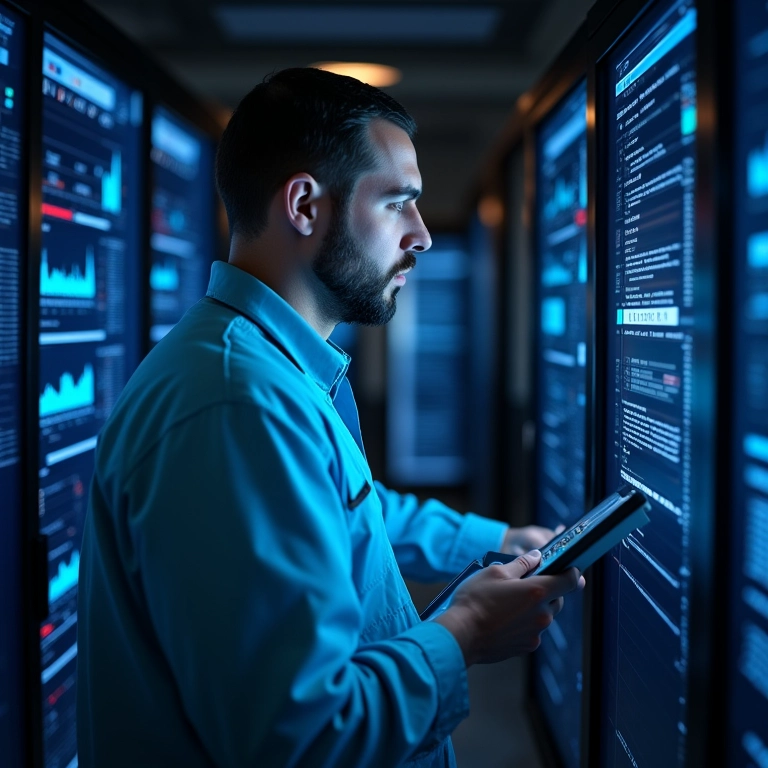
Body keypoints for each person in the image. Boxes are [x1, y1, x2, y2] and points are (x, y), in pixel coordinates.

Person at [77, 67, 583, 768]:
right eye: (399, 204)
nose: (422, 237)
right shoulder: (237, 405)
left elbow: (343, 508)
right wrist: (465, 631)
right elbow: (302, 737)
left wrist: (498, 540)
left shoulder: (264, 370)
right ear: (305, 206)